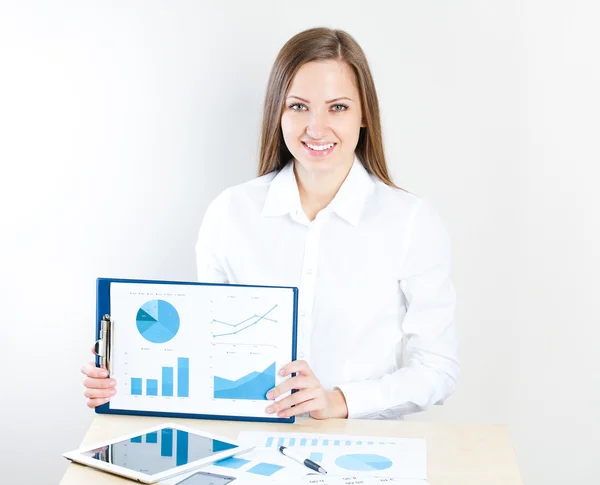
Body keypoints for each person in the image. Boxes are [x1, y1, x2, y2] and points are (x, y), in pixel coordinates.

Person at [81, 27, 459, 420]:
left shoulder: (411, 222)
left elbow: (438, 368)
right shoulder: (230, 214)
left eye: (338, 107)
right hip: (253, 449)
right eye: (298, 106)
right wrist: (123, 373)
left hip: (365, 452)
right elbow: (204, 353)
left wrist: (340, 401)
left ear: (364, 115)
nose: (316, 127)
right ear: (277, 112)